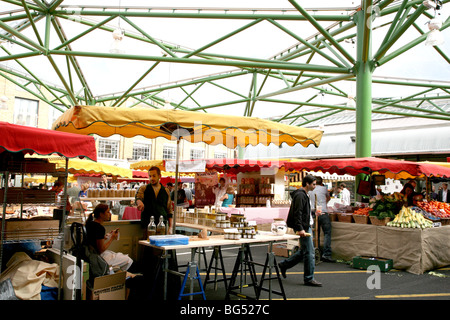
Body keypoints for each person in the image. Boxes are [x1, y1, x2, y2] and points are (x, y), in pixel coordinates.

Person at [278, 174, 322, 287]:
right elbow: (298, 213)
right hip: (303, 227)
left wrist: (312, 214)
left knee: (305, 251)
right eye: (313, 184)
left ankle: (284, 265)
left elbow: (302, 212)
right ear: (307, 184)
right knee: (310, 253)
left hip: (304, 225)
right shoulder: (301, 196)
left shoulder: (303, 195)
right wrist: (300, 228)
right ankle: (309, 278)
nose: (315, 186)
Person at [85, 204, 133, 271]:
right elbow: (101, 249)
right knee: (128, 260)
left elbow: (94, 240)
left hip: (90, 254)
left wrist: (105, 238)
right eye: (108, 212)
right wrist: (112, 238)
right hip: (97, 257)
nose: (110, 214)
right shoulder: (99, 228)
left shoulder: (90, 224)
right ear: (101, 214)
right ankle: (116, 275)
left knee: (120, 255)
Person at [135, 166, 173, 237]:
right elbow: (138, 197)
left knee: (161, 246)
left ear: (159, 176)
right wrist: (139, 202)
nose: (151, 178)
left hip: (162, 225)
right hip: (147, 225)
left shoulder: (165, 191)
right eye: (150, 176)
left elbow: (169, 210)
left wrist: (170, 227)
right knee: (147, 246)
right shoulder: (144, 188)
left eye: (154, 176)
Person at [309, 177, 334, 263]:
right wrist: (323, 203)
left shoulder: (310, 189)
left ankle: (316, 251)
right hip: (322, 212)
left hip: (313, 212)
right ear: (322, 182)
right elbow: (328, 198)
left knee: (316, 233)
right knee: (327, 232)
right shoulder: (323, 189)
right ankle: (326, 254)